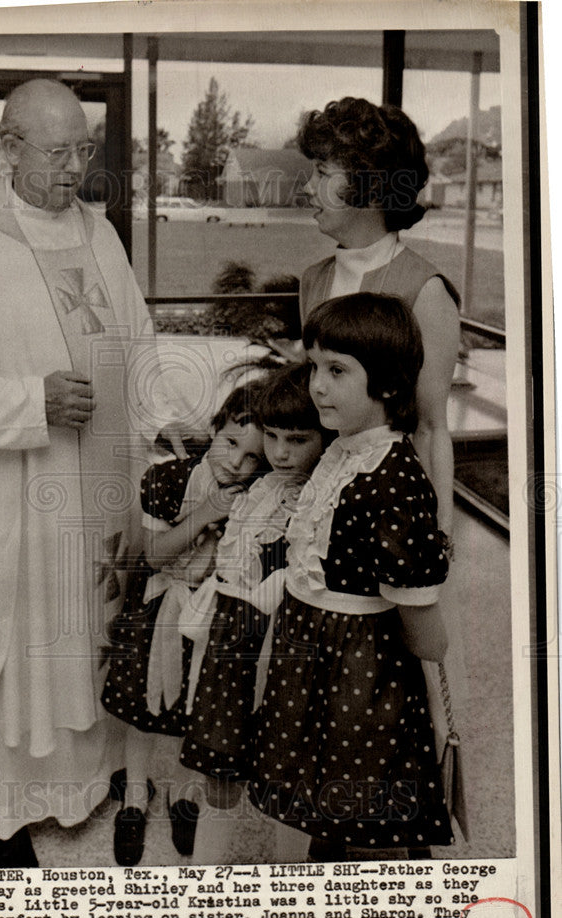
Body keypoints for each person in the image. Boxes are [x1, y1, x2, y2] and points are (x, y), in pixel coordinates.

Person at [0, 79, 165, 868]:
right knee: (21, 637)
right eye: (58, 152)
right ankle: (6, 806)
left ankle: (99, 773)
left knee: (98, 626)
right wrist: (29, 399)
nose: (75, 168)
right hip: (15, 490)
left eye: (85, 150)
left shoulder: (101, 235)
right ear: (8, 147)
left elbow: (140, 340)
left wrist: (163, 427)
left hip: (104, 483)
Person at [248, 293, 454, 860]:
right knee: (328, 792)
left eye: (337, 371)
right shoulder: (343, 452)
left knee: (366, 796)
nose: (316, 385)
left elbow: (423, 627)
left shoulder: (392, 478)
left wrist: (431, 657)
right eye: (315, 366)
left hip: (361, 671)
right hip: (318, 658)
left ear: (387, 384)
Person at [100, 384, 266, 866]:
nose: (237, 463)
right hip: (158, 606)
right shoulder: (168, 480)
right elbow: (155, 554)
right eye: (232, 443)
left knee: (198, 706)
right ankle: (134, 794)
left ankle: (184, 796)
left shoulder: (258, 497)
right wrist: (207, 515)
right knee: (141, 706)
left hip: (215, 613)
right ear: (214, 430)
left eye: (253, 457)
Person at [177, 364, 325, 863]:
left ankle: (290, 879)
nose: (280, 452)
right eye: (274, 437)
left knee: (288, 773)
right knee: (219, 768)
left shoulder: (318, 500)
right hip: (231, 641)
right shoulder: (257, 489)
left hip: (285, 649)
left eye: (297, 440)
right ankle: (205, 873)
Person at [296, 96, 460, 536]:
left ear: (369, 186)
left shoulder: (425, 290)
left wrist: (437, 531)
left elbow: (430, 427)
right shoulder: (313, 280)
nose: (307, 187)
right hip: (322, 501)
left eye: (323, 174)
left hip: (388, 509)